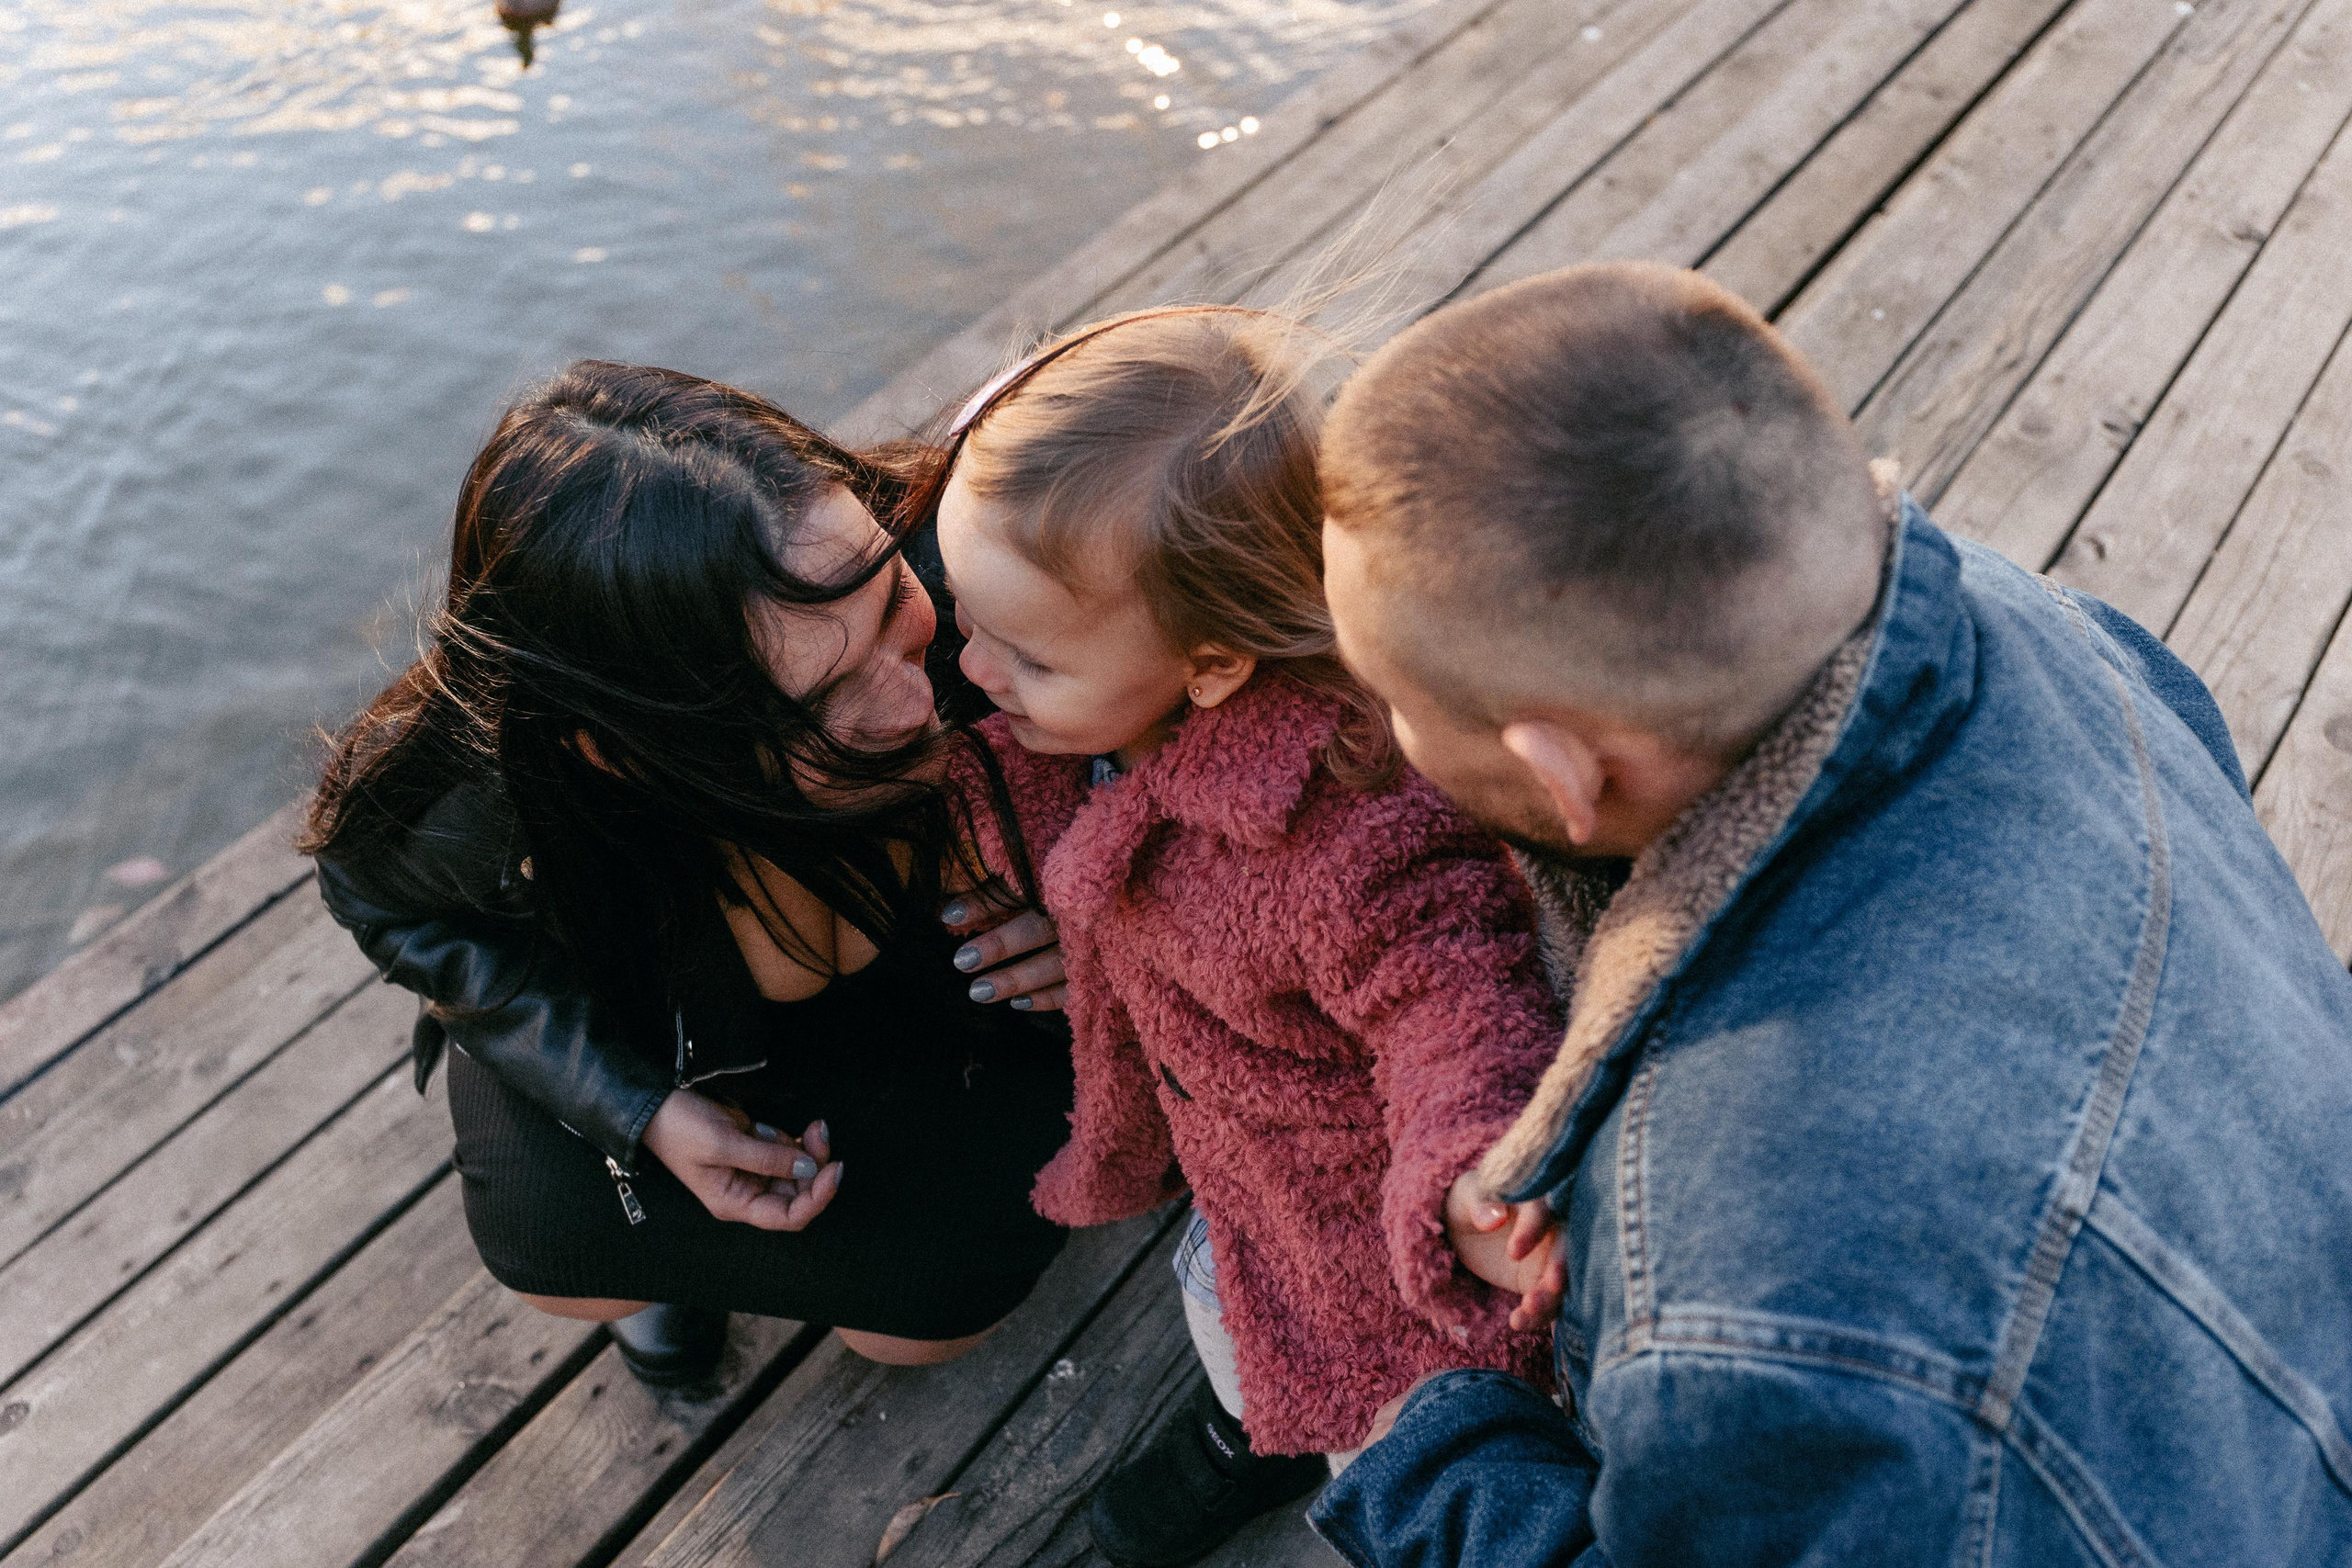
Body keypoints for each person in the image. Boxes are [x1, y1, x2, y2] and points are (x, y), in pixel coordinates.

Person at [1302, 261, 2352, 1564]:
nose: (1388, 737)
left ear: (1566, 771)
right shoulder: (2047, 625)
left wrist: (1436, 1452)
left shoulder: (1754, 1293)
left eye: (1391, 694)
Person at [918, 306, 1563, 1567]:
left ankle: (1285, 1445)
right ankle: (1239, 1420)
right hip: (1227, 1163)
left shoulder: (1346, 826)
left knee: (1348, 1407)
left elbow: (1453, 997)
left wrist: (1471, 1165)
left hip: (1350, 1224)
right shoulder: (1103, 706)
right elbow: (1023, 784)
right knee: (1224, 1304)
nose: (971, 667)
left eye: (1025, 657)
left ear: (1211, 663)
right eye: (964, 620)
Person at [305, 362, 1078, 1386]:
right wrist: (631, 1106)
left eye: (893, 593)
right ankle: (672, 1275)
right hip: (654, 1020)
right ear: (622, 751)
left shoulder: (977, 557)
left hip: (929, 996)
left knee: (923, 1322)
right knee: (559, 1256)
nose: (915, 703)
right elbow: (382, 900)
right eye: (824, 698)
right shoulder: (464, 786)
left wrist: (1102, 918)